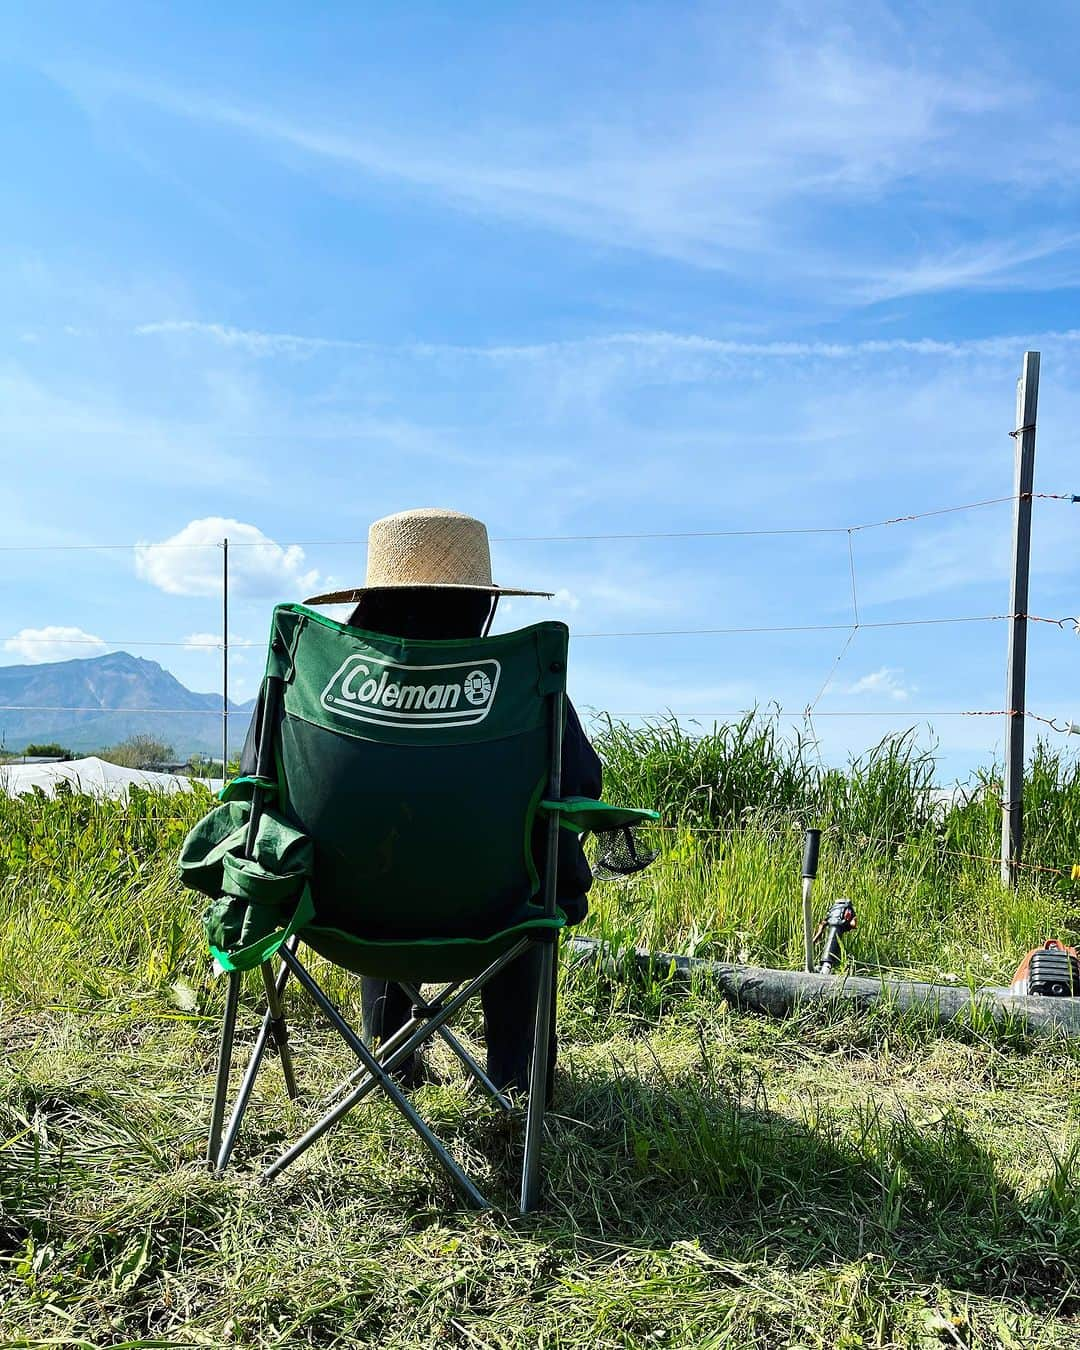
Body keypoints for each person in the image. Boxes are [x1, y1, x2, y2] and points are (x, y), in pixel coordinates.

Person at [241, 507, 601, 1094]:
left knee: (377, 863)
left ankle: (390, 1063)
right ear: (479, 599)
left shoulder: (310, 677)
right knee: (531, 880)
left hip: (339, 914)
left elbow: (258, 781)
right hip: (494, 919)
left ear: (372, 599)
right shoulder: (518, 684)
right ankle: (517, 1079)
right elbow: (581, 783)